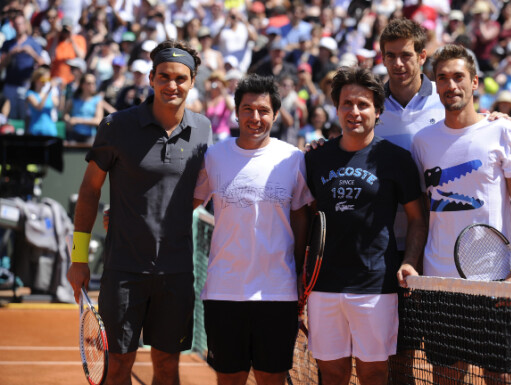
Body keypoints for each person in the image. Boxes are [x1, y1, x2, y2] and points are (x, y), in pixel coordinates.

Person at [66, 40, 211, 385]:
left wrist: (149, 213)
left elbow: (195, 194)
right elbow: (89, 191)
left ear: (192, 82)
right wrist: (79, 257)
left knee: (167, 367)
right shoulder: (116, 126)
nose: (171, 85)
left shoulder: (203, 130)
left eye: (180, 78)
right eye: (163, 76)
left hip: (176, 273)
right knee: (118, 368)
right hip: (124, 270)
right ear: (150, 78)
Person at [407, 44, 511, 384]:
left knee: (497, 378)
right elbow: (422, 208)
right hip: (439, 279)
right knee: (446, 376)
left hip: (494, 278)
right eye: (443, 78)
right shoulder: (422, 142)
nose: (451, 85)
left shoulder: (503, 130)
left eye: (459, 77)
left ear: (475, 82)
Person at [304, 66, 427, 385]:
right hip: (324, 286)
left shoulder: (396, 159)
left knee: (373, 373)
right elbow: (306, 215)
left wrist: (410, 260)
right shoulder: (315, 158)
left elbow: (417, 217)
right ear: (337, 108)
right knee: (331, 374)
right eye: (347, 103)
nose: (354, 111)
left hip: (376, 286)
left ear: (378, 110)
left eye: (363, 104)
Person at [193, 74, 313, 385]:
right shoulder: (214, 156)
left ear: (275, 114)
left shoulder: (293, 158)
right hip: (223, 292)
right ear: (236, 112)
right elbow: (185, 205)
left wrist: (297, 270)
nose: (255, 118)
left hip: (277, 292)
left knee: (271, 381)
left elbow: (301, 216)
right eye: (247, 109)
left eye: (263, 111)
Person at [63, 73, 104, 145]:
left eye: (94, 83)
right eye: (89, 83)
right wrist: (68, 120)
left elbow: (98, 121)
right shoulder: (74, 99)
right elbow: (65, 114)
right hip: (74, 134)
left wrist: (78, 120)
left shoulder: (97, 100)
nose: (92, 85)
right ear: (82, 85)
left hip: (90, 136)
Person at [26, 66, 59, 137]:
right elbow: (39, 107)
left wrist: (61, 90)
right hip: (36, 130)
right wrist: (49, 90)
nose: (46, 80)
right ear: (37, 79)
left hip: (50, 130)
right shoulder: (30, 94)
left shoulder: (50, 95)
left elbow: (58, 106)